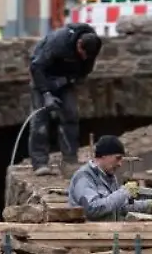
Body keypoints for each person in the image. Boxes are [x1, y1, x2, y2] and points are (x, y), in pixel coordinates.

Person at [28, 22, 103, 176]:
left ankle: (69, 160)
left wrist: (68, 81)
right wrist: (46, 94)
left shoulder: (91, 49)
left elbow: (84, 73)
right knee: (40, 121)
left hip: (65, 80)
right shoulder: (58, 42)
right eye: (82, 54)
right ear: (79, 43)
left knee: (70, 116)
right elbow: (36, 67)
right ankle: (40, 162)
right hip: (42, 77)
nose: (84, 58)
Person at [67, 135, 152, 221]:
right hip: (89, 237)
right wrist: (124, 192)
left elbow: (120, 207)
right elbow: (92, 209)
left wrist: (150, 205)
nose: (120, 164)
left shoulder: (109, 176)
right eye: (117, 158)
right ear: (104, 156)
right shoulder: (84, 177)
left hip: (109, 235)